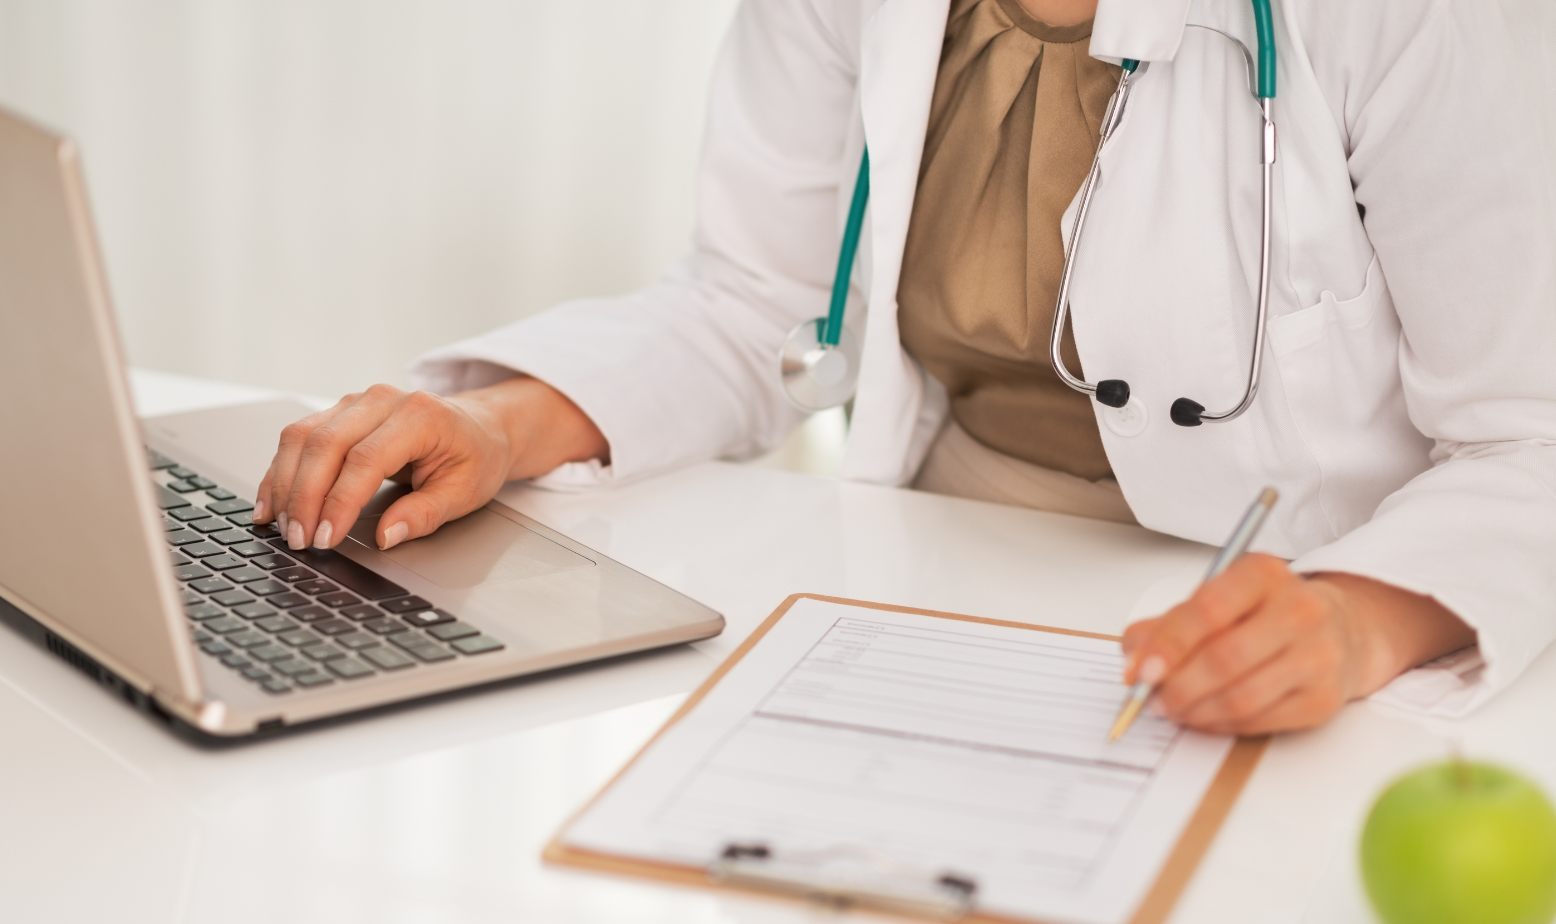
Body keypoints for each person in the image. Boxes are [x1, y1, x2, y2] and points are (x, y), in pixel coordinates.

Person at [251, 0, 1556, 735]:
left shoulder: (1425, 17)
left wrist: (1357, 617)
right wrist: (504, 422)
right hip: (935, 572)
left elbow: (1530, 437)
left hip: (1289, 597)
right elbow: (753, 304)